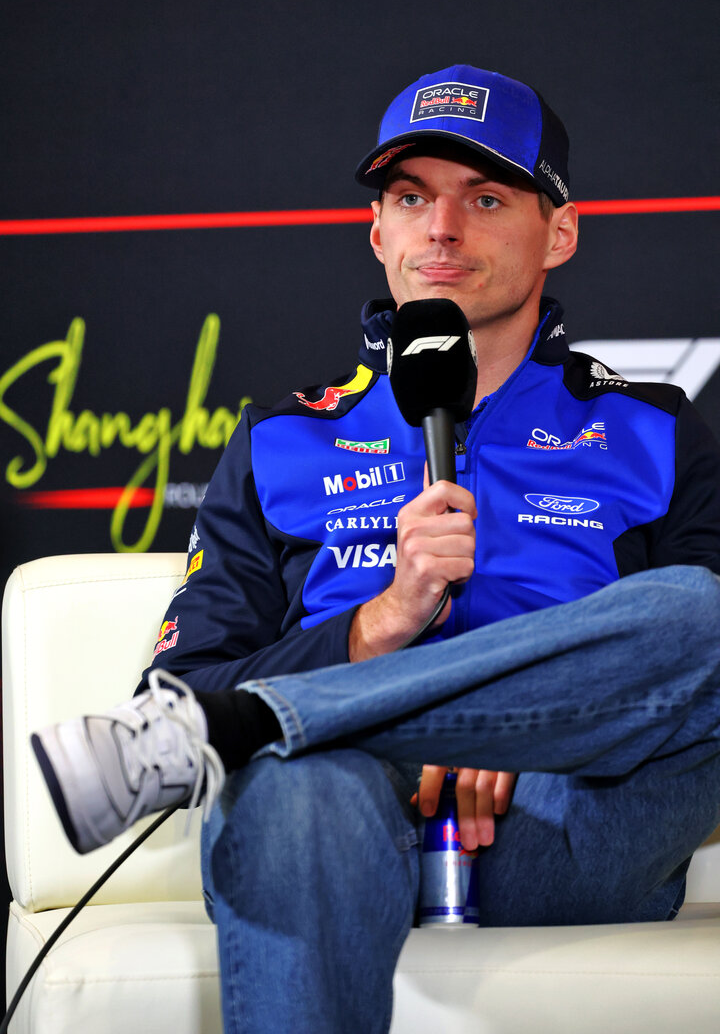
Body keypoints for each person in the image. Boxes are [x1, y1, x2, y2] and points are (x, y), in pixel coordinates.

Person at [33, 65, 720, 1033]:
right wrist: (381, 623)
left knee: (704, 612)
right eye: (410, 199)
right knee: (297, 786)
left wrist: (525, 730)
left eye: (485, 198)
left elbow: (688, 673)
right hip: (335, 815)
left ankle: (264, 723)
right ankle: (288, 728)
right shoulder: (280, 440)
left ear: (558, 232)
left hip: (570, 825)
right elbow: (186, 685)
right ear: (379, 232)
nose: (442, 231)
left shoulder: (654, 428)